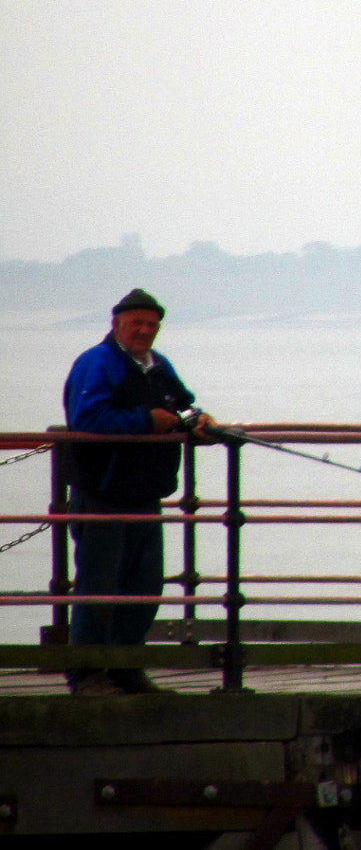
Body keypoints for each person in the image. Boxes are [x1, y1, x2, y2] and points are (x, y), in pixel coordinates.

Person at [61, 288, 216, 695]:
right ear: (116, 324)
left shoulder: (158, 365)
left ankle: (126, 669)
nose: (144, 331)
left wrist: (197, 421)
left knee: (145, 589)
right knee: (98, 588)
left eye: (151, 324)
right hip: (102, 494)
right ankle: (86, 674)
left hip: (147, 495)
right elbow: (87, 417)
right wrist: (145, 421)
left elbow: (182, 406)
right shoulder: (97, 362)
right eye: (137, 323)